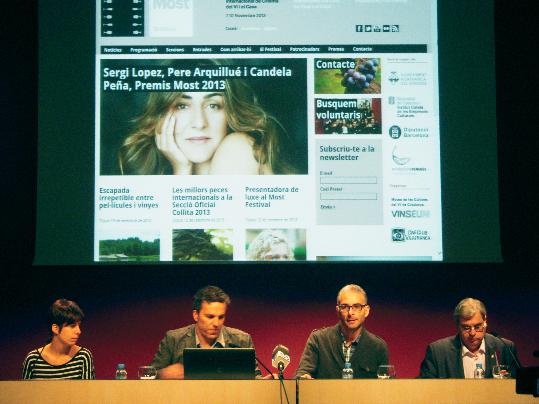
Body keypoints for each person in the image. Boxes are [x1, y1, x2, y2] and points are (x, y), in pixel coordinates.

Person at [118, 62, 295, 176]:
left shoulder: (238, 147)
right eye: (182, 106)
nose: (199, 123)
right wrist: (182, 170)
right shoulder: (155, 171)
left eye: (213, 106)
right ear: (160, 114)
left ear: (230, 113)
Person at [150, 285, 262, 379]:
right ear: (195, 315)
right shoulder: (173, 339)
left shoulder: (242, 340)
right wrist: (161, 374)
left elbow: (255, 378)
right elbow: (147, 376)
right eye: (210, 317)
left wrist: (267, 383)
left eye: (221, 317)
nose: (216, 323)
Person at [295, 284, 389, 379]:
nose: (350, 313)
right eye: (344, 307)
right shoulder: (319, 340)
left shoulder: (378, 347)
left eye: (356, 306)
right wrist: (303, 378)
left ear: (366, 311)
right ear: (338, 311)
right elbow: (301, 376)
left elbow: (385, 388)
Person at [419, 297, 520, 378]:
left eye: (477, 326)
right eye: (466, 327)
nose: (472, 333)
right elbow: (425, 390)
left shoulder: (505, 348)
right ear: (457, 325)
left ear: (485, 321)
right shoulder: (438, 352)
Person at [21, 299, 95, 379]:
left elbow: (87, 391)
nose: (79, 331)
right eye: (72, 326)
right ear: (55, 329)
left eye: (79, 325)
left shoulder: (83, 356)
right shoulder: (33, 359)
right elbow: (26, 391)